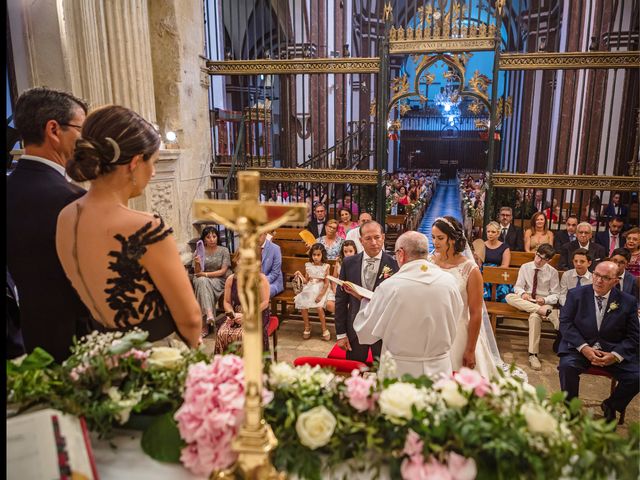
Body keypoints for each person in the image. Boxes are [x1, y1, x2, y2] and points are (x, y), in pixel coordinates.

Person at [56, 105, 201, 348]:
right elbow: (190, 318)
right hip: (153, 354)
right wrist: (196, 356)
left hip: (101, 352)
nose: (153, 173)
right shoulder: (144, 228)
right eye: (152, 162)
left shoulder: (66, 217)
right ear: (134, 163)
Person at [7, 87, 92, 362]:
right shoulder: (72, 198)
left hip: (25, 336)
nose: (84, 141)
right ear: (54, 130)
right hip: (75, 340)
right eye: (81, 130)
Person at [350, 231, 462, 378]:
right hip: (439, 368)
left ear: (401, 254)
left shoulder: (390, 286)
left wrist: (365, 301)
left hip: (400, 371)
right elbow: (456, 317)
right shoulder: (449, 281)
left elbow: (365, 332)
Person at [557, 261, 639, 424]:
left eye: (605, 278)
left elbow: (634, 336)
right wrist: (584, 348)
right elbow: (565, 323)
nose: (599, 281)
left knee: (637, 376)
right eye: (596, 275)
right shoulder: (576, 294)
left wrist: (615, 355)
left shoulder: (627, 301)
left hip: (611, 350)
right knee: (567, 367)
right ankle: (570, 408)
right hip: (580, 348)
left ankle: (611, 405)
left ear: (615, 281)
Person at [430, 216, 498, 379]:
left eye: (440, 238)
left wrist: (470, 349)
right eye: (433, 237)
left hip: (458, 332)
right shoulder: (430, 261)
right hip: (432, 328)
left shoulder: (470, 270)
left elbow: (476, 313)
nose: (435, 242)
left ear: (452, 239)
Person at [335, 221, 398, 362]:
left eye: (377, 237)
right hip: (355, 329)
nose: (374, 242)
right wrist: (341, 333)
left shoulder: (395, 264)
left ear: (383, 237)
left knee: (383, 375)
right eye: (368, 238)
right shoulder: (349, 263)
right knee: (354, 373)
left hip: (383, 331)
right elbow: (341, 300)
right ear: (360, 240)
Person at [505, 243, 560, 370]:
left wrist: (544, 299)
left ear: (549, 260)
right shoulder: (525, 267)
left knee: (535, 317)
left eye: (544, 259)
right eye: (538, 256)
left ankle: (533, 354)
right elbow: (518, 286)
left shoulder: (552, 272)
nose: (539, 261)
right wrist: (523, 293)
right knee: (509, 297)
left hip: (543, 301)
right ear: (536, 253)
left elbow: (556, 294)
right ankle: (546, 312)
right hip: (528, 300)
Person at [216, 255, 271, 354]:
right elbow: (227, 302)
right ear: (237, 261)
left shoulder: (261, 278)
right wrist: (231, 314)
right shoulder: (231, 279)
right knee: (222, 333)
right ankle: (227, 366)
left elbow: (265, 302)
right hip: (236, 313)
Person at [192, 226, 232, 337]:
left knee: (203, 281)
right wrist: (197, 263)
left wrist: (205, 274)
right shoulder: (199, 250)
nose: (212, 239)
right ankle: (209, 314)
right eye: (208, 237)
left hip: (219, 279)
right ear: (204, 239)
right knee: (202, 282)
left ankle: (204, 323)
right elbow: (197, 272)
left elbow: (223, 271)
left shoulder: (224, 250)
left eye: (214, 236)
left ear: (217, 237)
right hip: (202, 279)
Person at [294, 243, 331, 341]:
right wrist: (300, 274)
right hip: (310, 287)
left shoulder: (326, 266)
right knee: (303, 305)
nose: (316, 257)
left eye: (318, 255)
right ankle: (307, 326)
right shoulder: (308, 265)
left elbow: (327, 283)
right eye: (314, 255)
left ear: (322, 255)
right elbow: (306, 281)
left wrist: (320, 295)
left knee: (319, 307)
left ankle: (324, 328)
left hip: (321, 288)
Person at [481, 221, 512, 302]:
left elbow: (505, 265)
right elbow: (479, 265)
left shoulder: (504, 247)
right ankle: (485, 309)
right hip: (484, 274)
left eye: (493, 232)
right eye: (488, 231)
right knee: (482, 284)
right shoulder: (482, 245)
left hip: (499, 274)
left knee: (503, 289)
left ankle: (499, 310)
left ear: (498, 234)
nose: (490, 234)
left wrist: (493, 272)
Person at [325, 240, 358, 313]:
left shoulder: (358, 262)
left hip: (352, 289)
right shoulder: (339, 262)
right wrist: (334, 290)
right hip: (339, 287)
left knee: (349, 306)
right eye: (345, 252)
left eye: (350, 251)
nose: (348, 254)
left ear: (355, 251)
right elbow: (334, 278)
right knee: (329, 304)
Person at [260, 232, 284, 298]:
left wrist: (262, 282)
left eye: (259, 235)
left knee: (261, 292)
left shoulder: (275, 249)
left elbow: (275, 273)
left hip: (273, 282)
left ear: (265, 234)